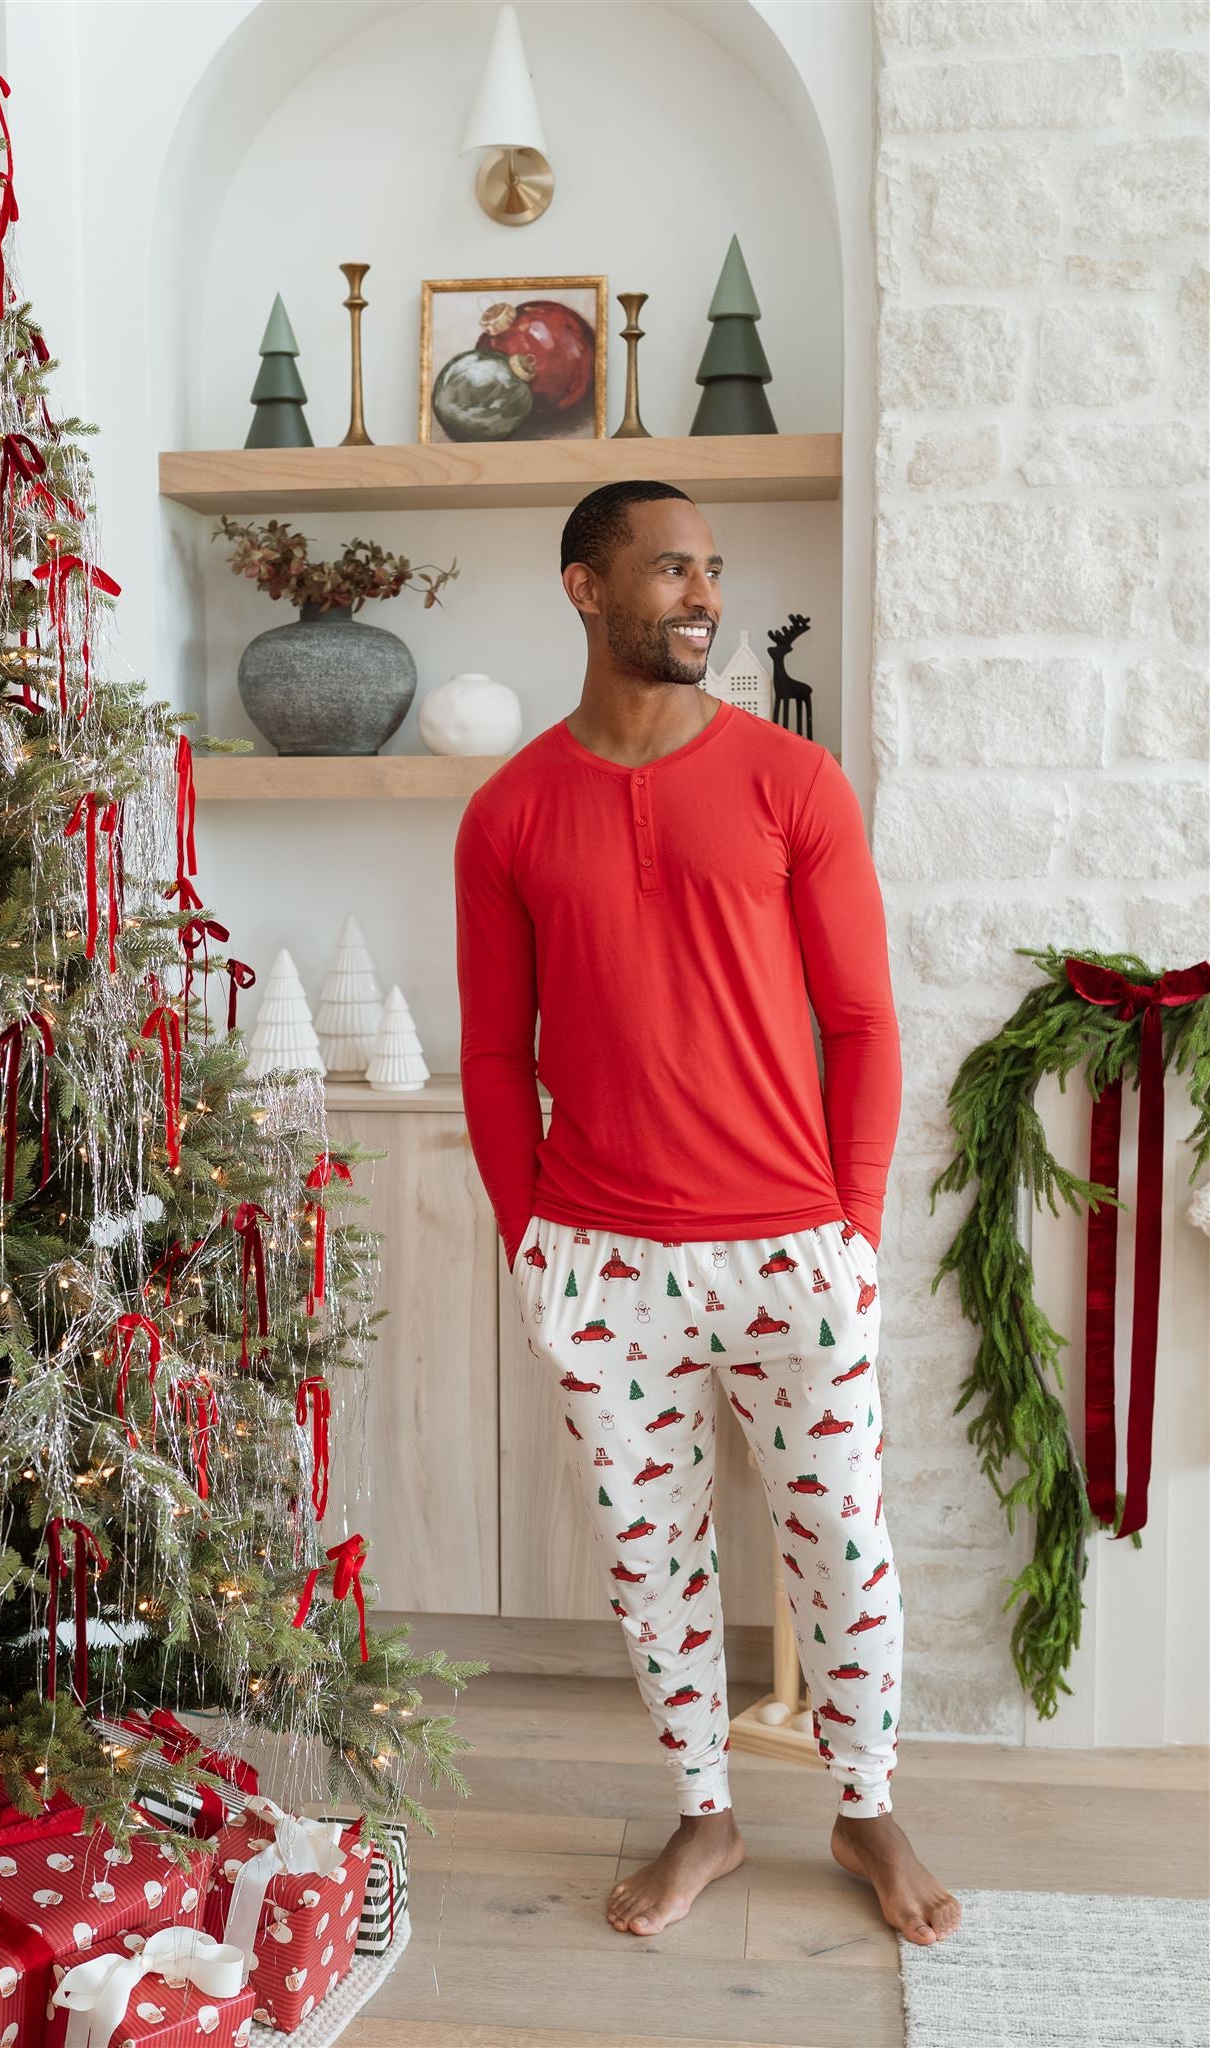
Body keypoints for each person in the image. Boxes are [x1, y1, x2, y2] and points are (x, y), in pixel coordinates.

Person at [453, 478, 961, 1947]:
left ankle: (865, 1807)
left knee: (842, 1545)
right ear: (583, 586)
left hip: (792, 1247)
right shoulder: (508, 811)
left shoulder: (794, 783)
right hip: (601, 1258)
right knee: (648, 1555)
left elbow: (862, 1023)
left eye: (713, 570)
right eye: (672, 569)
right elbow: (492, 1053)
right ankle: (705, 1813)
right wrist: (530, 1238)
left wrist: (850, 1225)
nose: (704, 596)